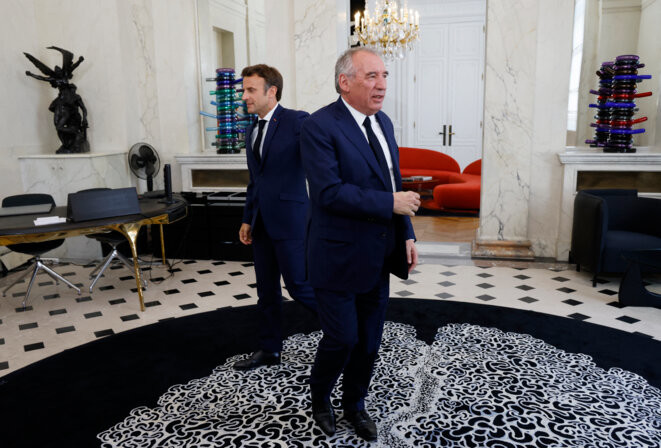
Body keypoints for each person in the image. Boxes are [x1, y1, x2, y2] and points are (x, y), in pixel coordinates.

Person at [300, 48, 420, 441]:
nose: (382, 84)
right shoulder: (319, 127)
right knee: (343, 338)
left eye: (384, 75)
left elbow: (391, 182)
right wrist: (391, 203)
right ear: (344, 82)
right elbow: (329, 192)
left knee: (369, 341)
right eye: (371, 76)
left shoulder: (382, 122)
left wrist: (406, 234)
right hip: (335, 255)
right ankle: (320, 398)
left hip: (378, 253)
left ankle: (355, 403)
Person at [234, 64, 316, 370]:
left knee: (300, 287)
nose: (245, 96)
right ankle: (270, 350)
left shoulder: (298, 121)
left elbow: (318, 164)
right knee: (266, 291)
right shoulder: (251, 129)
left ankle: (347, 335)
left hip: (292, 220)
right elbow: (256, 181)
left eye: (251, 90)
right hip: (261, 223)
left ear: (272, 91)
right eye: (244, 90)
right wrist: (247, 218)